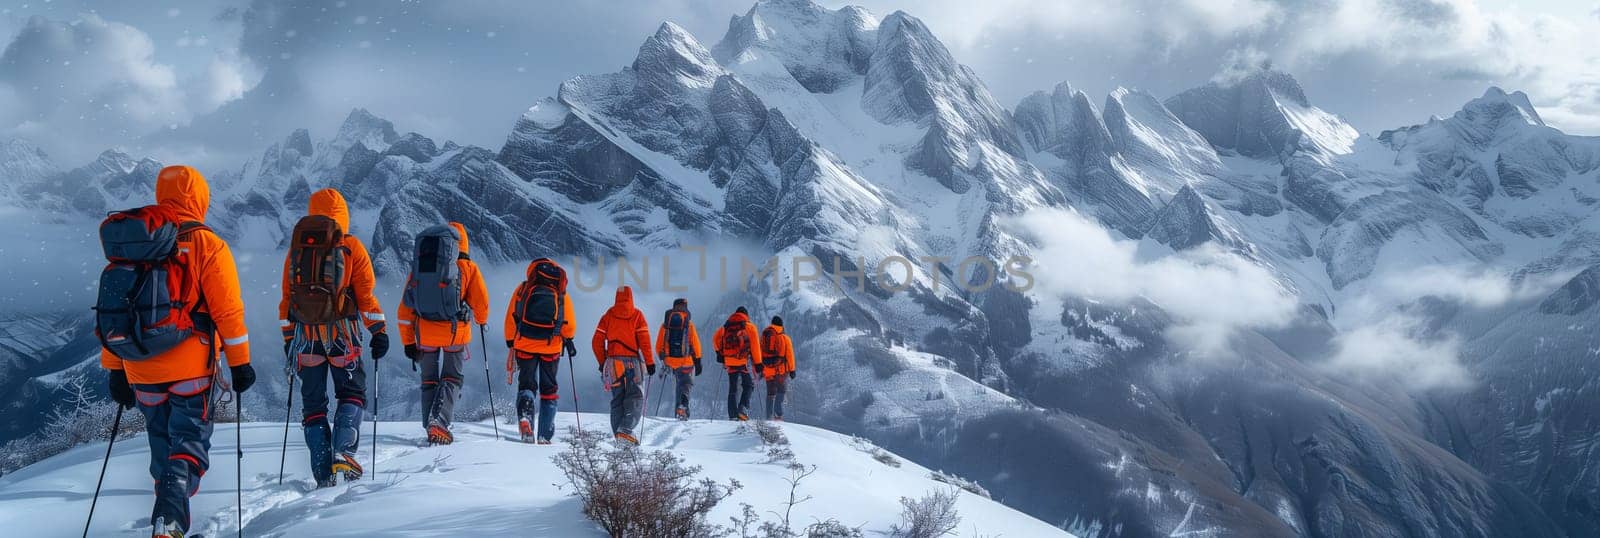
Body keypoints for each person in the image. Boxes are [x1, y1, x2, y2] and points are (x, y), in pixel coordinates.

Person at [97, 165, 254, 538]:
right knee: (188, 450)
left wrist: (114, 368)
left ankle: (166, 521)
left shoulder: (135, 242)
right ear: (199, 197)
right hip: (192, 368)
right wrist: (240, 362)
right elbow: (227, 311)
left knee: (163, 450)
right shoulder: (206, 243)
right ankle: (168, 524)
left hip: (140, 368)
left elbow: (114, 311)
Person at [278, 188, 388, 486]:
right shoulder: (351, 248)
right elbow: (366, 298)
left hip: (305, 338)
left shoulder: (297, 250)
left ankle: (321, 471)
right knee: (352, 393)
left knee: (313, 405)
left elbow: (286, 299)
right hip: (343, 336)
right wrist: (379, 331)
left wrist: (289, 337)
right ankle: (344, 452)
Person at [398, 222, 490, 445]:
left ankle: (429, 424)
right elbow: (482, 304)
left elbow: (404, 310)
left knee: (428, 379)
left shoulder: (420, 269)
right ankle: (438, 422)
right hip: (453, 335)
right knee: (452, 377)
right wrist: (481, 321)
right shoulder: (468, 268)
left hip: (424, 335)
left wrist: (408, 342)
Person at [504, 258, 577, 444]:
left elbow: (512, 316)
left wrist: (510, 341)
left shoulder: (523, 288)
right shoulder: (561, 293)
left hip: (524, 344)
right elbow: (569, 327)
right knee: (549, 389)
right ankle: (545, 436)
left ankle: (526, 417)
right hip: (551, 346)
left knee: (527, 384)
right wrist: (566, 339)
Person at [591, 285, 653, 444]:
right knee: (635, 396)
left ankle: (619, 435)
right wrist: (650, 362)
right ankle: (625, 430)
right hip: (632, 363)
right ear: (631, 297)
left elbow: (596, 341)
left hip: (613, 363)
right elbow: (644, 342)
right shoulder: (637, 315)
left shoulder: (608, 315)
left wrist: (602, 362)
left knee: (617, 399)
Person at [655, 298, 702, 420]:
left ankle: (678, 412)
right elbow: (696, 345)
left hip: (670, 362)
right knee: (686, 384)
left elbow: (658, 346)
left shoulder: (665, 325)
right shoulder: (689, 325)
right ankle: (683, 409)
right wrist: (698, 361)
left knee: (678, 385)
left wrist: (663, 358)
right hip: (686, 362)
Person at [712, 306, 762, 421]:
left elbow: (715, 339)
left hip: (729, 361)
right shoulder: (750, 327)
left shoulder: (726, 326)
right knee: (748, 385)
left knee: (733, 388)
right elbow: (755, 347)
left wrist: (719, 353)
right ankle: (743, 409)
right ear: (746, 315)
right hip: (743, 361)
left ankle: (733, 415)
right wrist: (758, 363)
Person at [758, 316, 797, 421]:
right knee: (781, 390)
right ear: (781, 325)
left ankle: (768, 417)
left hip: (767, 371)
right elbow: (790, 355)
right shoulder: (785, 338)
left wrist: (760, 369)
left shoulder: (764, 336)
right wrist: (792, 370)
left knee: (770, 393)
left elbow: (759, 353)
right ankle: (778, 414)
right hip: (781, 371)